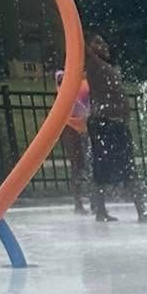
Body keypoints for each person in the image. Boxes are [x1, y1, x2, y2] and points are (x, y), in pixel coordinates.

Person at [83, 34, 147, 223]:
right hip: (104, 123)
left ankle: (139, 211)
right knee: (102, 168)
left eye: (103, 41)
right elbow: (81, 46)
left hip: (114, 123)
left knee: (128, 167)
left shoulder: (104, 66)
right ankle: (104, 211)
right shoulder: (93, 63)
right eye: (97, 42)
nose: (103, 44)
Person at [54, 66, 90, 213]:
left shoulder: (85, 82)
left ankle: (91, 200)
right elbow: (61, 80)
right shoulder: (63, 77)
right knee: (76, 164)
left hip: (84, 125)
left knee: (85, 163)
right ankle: (78, 203)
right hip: (69, 125)